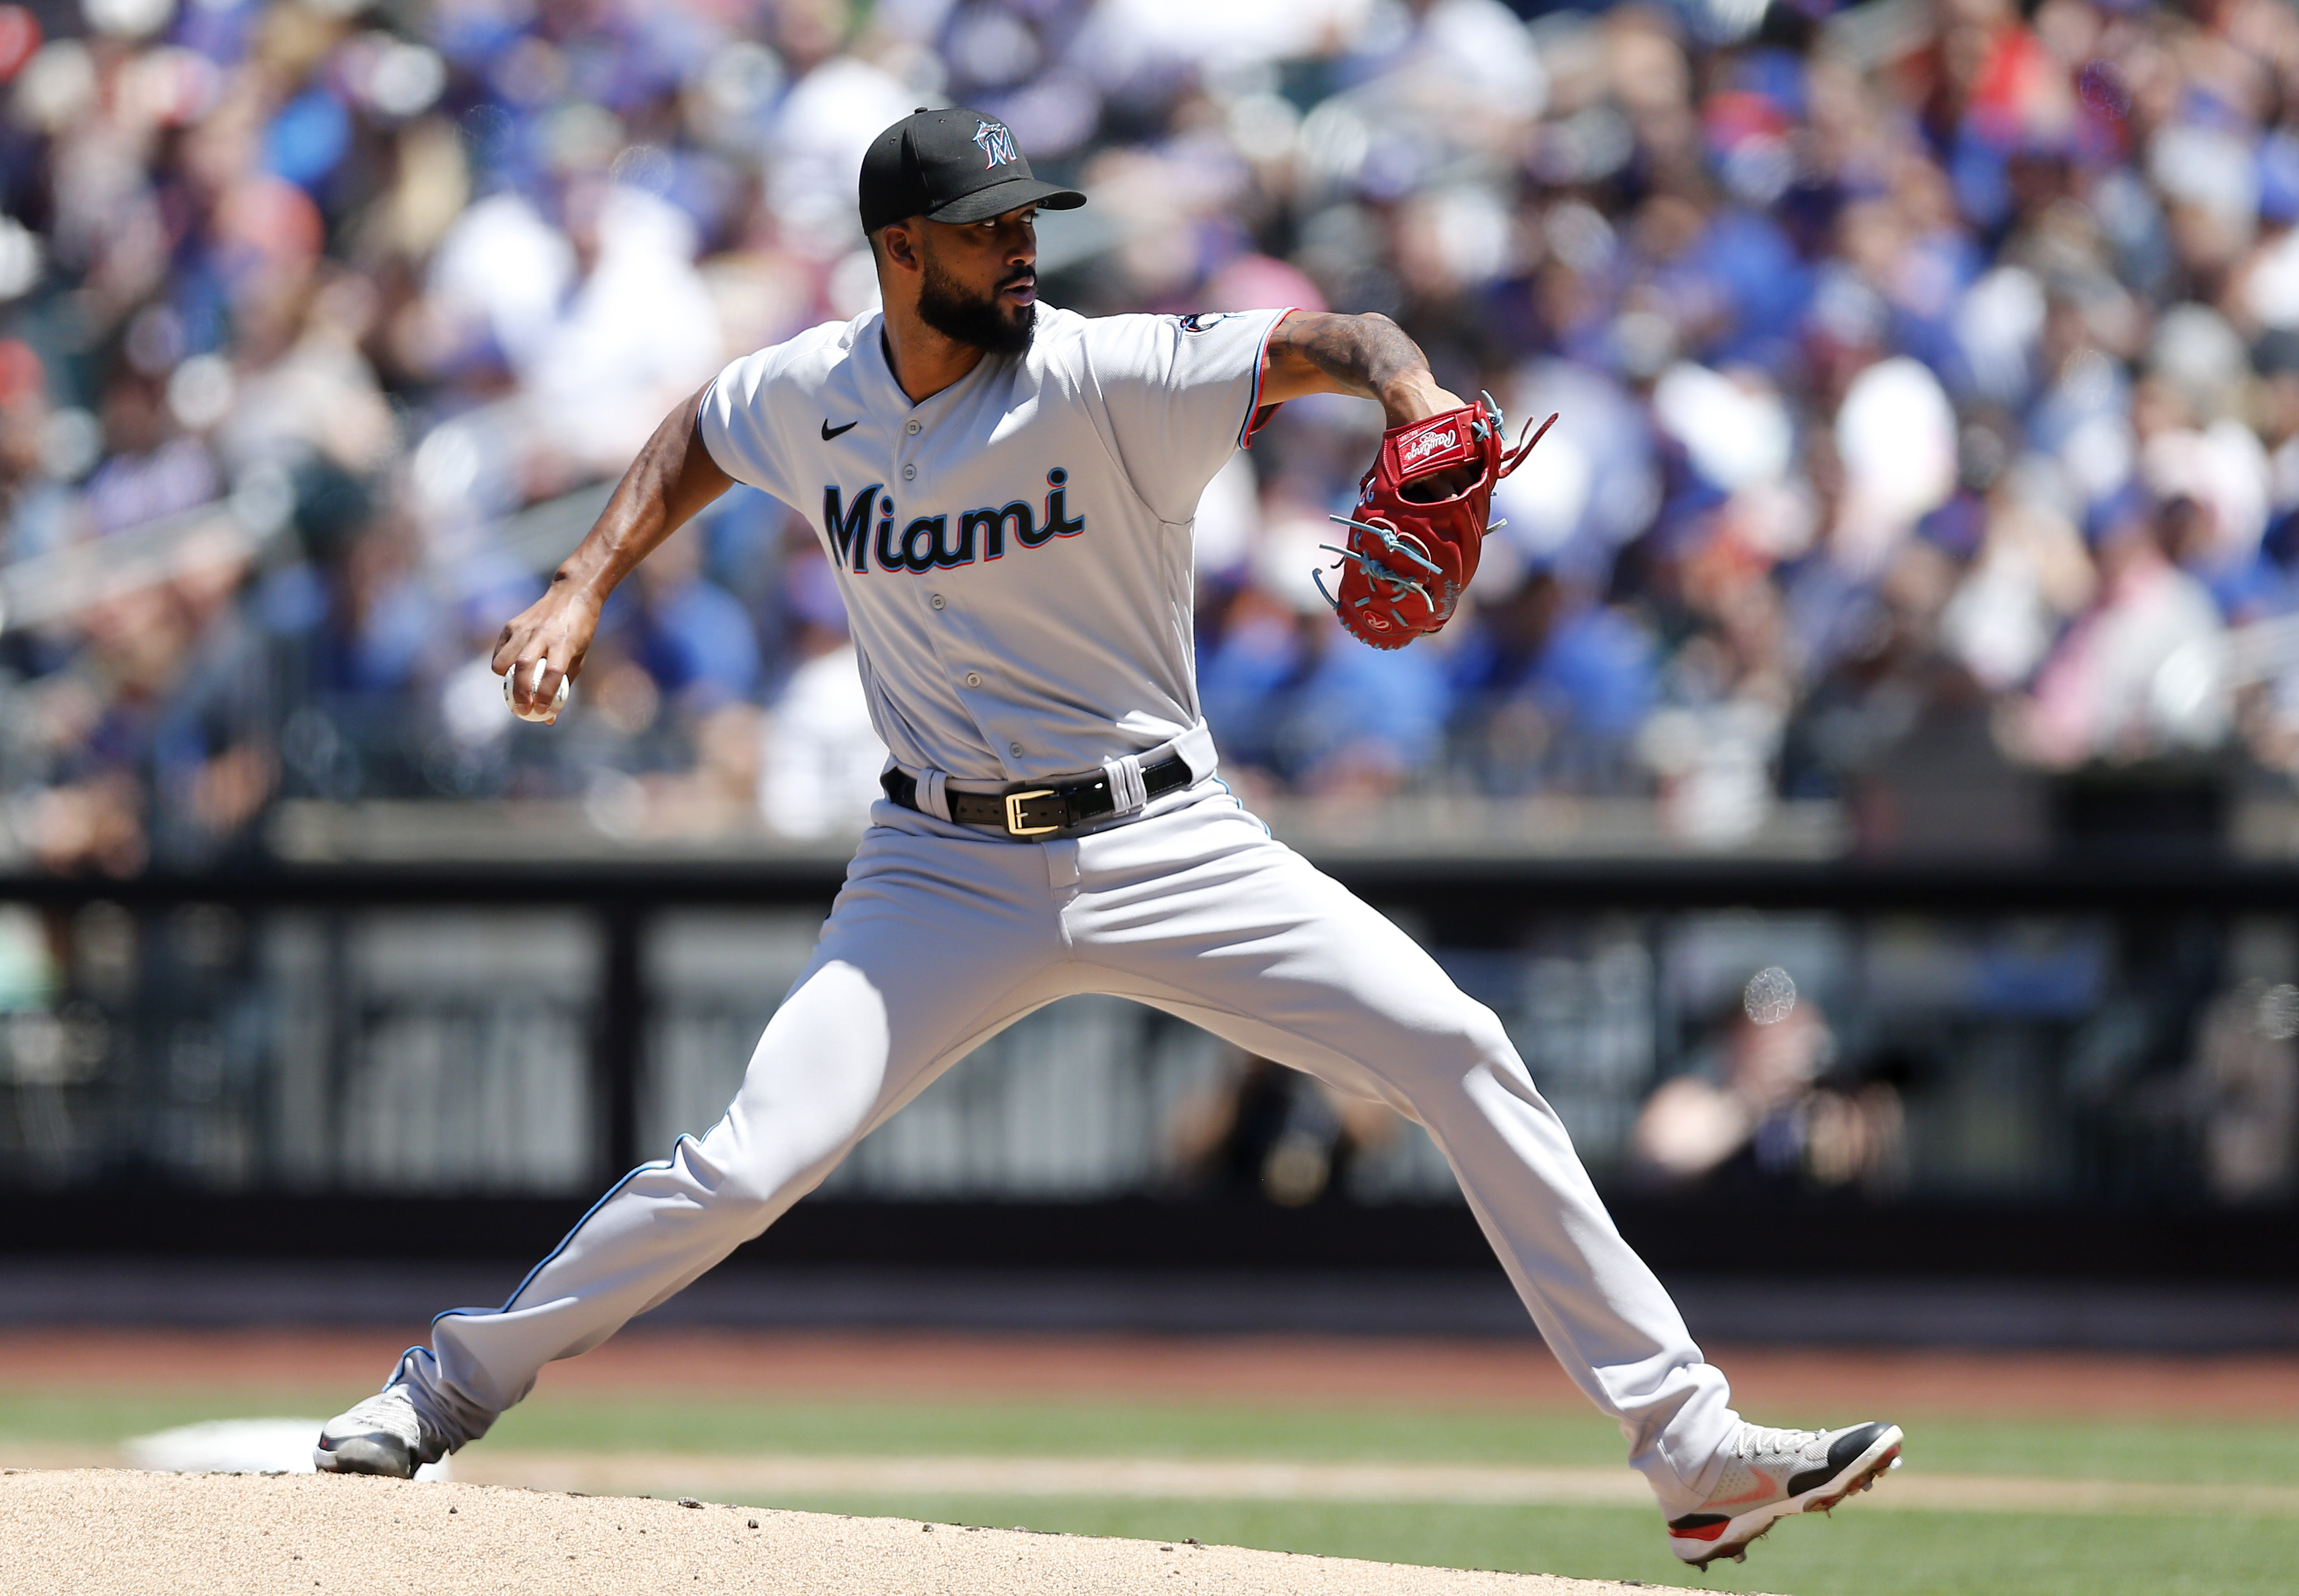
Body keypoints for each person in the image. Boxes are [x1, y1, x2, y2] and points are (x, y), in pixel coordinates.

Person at [312, 108, 1901, 1570]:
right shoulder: (818, 394)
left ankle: (1689, 1448)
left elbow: (1325, 336)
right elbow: (702, 433)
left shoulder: (1108, 372)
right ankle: (444, 1390)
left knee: (1458, 1044)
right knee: (745, 1162)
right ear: (901, 252)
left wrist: (1411, 391)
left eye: (1028, 223)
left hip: (1169, 841)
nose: (1023, 251)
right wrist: (587, 577)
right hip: (936, 868)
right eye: (991, 228)